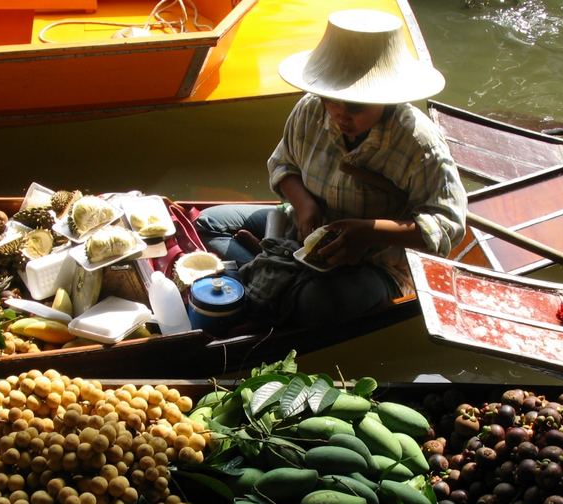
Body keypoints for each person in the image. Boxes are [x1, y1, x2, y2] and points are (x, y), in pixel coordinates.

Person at [195, 8, 467, 328]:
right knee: (209, 222)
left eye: (354, 105)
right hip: (303, 231)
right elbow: (283, 163)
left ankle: (269, 277)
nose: (339, 113)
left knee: (317, 304)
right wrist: (304, 205)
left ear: (386, 99)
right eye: (330, 99)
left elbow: (447, 225)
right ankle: (278, 275)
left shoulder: (419, 144)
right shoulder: (311, 109)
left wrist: (368, 233)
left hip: (377, 261)